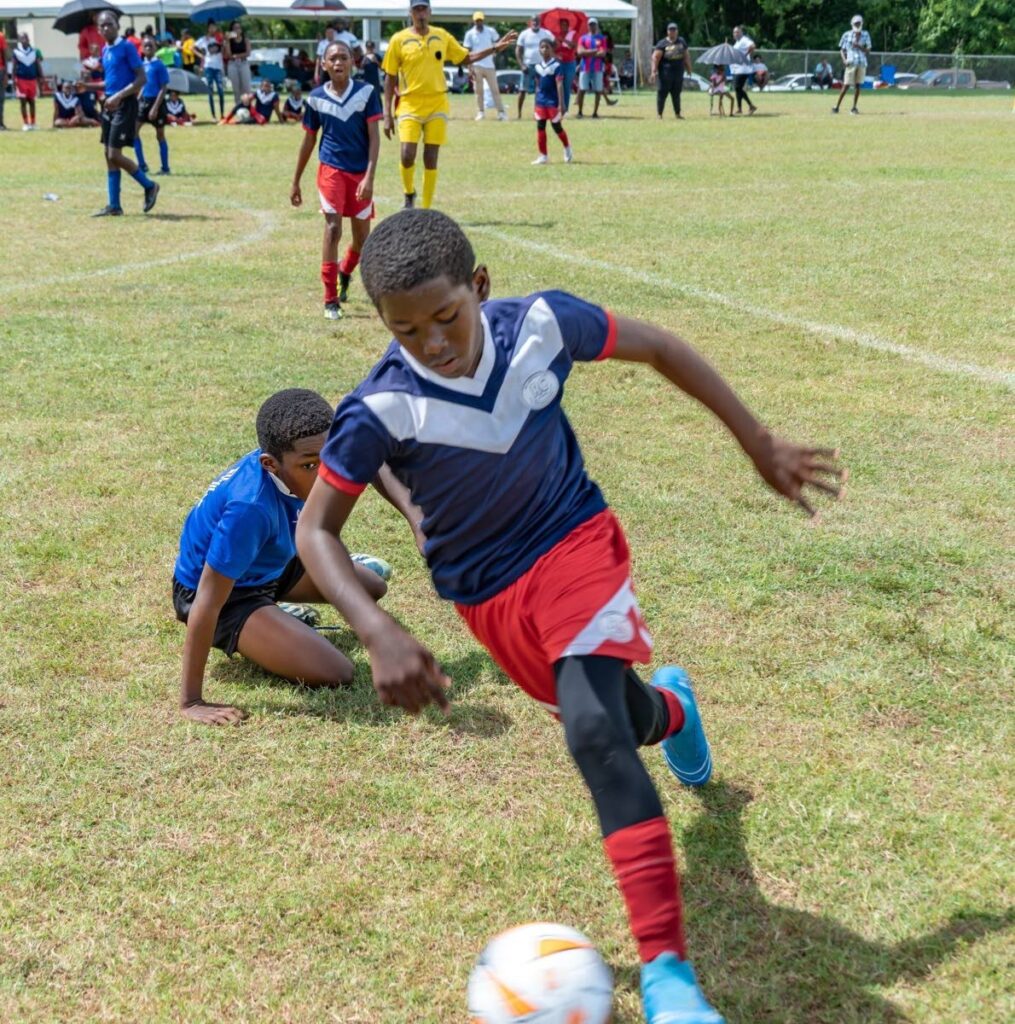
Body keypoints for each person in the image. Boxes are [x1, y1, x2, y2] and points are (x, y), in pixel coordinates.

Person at [295, 209, 846, 1024]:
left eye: (447, 316)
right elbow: (315, 530)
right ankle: (670, 709)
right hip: (488, 599)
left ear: (479, 288)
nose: (434, 342)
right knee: (615, 718)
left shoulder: (542, 325)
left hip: (575, 543)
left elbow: (657, 346)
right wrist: (376, 629)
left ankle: (668, 980)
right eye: (406, 330)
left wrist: (756, 441)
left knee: (589, 735)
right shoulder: (380, 408)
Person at [171, 388, 404, 727]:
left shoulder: (313, 455)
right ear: (271, 465)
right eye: (311, 465)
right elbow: (207, 600)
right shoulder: (249, 508)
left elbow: (376, 462)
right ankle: (268, 615)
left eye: (331, 458)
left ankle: (281, 603)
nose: (326, 473)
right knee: (337, 671)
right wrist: (191, 701)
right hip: (229, 594)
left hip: (271, 562)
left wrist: (419, 523)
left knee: (372, 588)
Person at [381, 1, 516, 210]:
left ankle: (425, 208)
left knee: (431, 156)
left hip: (437, 103)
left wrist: (495, 48)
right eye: (416, 9)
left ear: (430, 12)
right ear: (410, 13)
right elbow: (389, 77)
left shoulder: (441, 36)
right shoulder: (398, 40)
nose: (421, 13)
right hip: (409, 104)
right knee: (407, 154)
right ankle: (409, 193)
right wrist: (387, 114)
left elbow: (465, 57)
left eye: (424, 9)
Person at [291, 40, 382, 320]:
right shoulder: (316, 98)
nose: (339, 62)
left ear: (352, 62)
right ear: (324, 64)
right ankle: (330, 299)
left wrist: (369, 177)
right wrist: (296, 180)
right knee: (332, 228)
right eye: (333, 58)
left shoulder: (366, 93)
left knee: (362, 241)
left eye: (344, 57)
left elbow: (374, 137)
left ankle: (344, 271)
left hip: (359, 174)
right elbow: (309, 140)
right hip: (330, 170)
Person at [93, 10, 159, 217]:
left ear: (117, 26)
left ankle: (149, 185)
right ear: (98, 29)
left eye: (109, 24)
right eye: (102, 26)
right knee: (108, 155)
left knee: (114, 154)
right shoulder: (106, 50)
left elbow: (141, 79)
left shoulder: (128, 47)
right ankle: (114, 205)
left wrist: (118, 97)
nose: (106, 28)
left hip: (125, 105)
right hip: (110, 105)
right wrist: (87, 86)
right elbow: (111, 82)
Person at [530, 37, 572, 165]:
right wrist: (535, 103)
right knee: (540, 127)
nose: (544, 49)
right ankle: (543, 155)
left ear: (551, 49)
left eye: (547, 47)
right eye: (542, 47)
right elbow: (537, 86)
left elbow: (559, 85)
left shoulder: (556, 65)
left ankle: (567, 147)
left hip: (552, 101)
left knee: (556, 127)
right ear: (539, 50)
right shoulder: (537, 67)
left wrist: (562, 103)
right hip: (541, 101)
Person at [134, 36, 171, 176]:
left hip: (157, 102)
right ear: (142, 48)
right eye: (146, 46)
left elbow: (163, 87)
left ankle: (165, 167)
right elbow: (143, 84)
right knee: (134, 132)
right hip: (144, 102)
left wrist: (155, 107)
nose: (148, 48)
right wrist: (138, 98)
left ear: (155, 48)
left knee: (160, 135)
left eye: (151, 45)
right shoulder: (142, 65)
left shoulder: (159, 65)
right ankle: (142, 165)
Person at [464, 12, 507, 122]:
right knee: (478, 91)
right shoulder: (470, 34)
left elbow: (499, 43)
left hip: (489, 65)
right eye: (477, 20)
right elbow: (467, 51)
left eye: (480, 20)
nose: (479, 22)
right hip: (476, 65)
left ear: (483, 20)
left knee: (495, 90)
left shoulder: (490, 31)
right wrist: (469, 67)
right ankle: (481, 112)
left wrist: (496, 53)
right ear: (474, 21)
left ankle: (501, 113)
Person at [650, 22, 692, 120]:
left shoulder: (682, 42)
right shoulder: (662, 43)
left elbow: (686, 55)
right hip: (665, 73)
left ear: (677, 31)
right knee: (662, 93)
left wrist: (689, 68)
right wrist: (653, 71)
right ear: (667, 31)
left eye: (674, 30)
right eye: (670, 30)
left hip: (678, 73)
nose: (672, 32)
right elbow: (655, 58)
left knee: (676, 94)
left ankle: (677, 114)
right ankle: (659, 114)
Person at [515, 13, 553, 119]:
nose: (535, 23)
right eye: (533, 21)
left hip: (542, 66)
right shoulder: (524, 34)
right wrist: (521, 65)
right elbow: (518, 50)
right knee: (522, 90)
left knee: (539, 91)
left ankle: (537, 113)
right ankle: (519, 114)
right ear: (530, 22)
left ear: (540, 22)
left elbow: (554, 44)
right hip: (527, 66)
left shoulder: (546, 33)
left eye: (537, 21)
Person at [833, 14, 872, 115]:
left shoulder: (866, 34)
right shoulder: (846, 34)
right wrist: (844, 60)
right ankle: (836, 107)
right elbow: (841, 49)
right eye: (855, 23)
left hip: (862, 63)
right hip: (851, 63)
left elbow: (868, 51)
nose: (857, 25)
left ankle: (854, 108)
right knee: (846, 85)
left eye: (859, 23)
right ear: (852, 24)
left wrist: (859, 46)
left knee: (858, 86)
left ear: (861, 23)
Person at [576, 17, 607, 118]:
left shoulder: (601, 38)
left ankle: (595, 113)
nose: (592, 26)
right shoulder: (583, 38)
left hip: (597, 68)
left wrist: (587, 52)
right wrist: (594, 51)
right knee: (582, 89)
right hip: (585, 67)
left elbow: (602, 53)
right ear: (587, 26)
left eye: (594, 24)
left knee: (598, 90)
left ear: (597, 25)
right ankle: (580, 111)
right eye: (590, 24)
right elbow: (580, 52)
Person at [13, 33, 43, 131]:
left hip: (32, 79)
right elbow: (14, 66)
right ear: (19, 40)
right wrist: (13, 79)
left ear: (28, 39)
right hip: (21, 79)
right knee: (23, 102)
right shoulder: (16, 52)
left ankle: (33, 123)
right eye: (21, 38)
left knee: (32, 102)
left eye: (25, 38)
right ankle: (26, 123)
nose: (23, 40)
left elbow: (38, 64)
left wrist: (41, 76)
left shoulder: (35, 51)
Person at [196, 22, 225, 120]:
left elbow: (232, 36)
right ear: (208, 28)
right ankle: (213, 115)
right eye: (211, 27)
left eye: (214, 27)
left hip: (218, 67)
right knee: (210, 90)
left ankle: (222, 114)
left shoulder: (220, 38)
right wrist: (201, 56)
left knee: (221, 90)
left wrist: (223, 39)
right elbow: (193, 47)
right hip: (209, 66)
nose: (213, 29)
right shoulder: (204, 39)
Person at [550, 15, 578, 111]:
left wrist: (563, 39)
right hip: (558, 63)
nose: (564, 26)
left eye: (566, 24)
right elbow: (551, 49)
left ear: (568, 25)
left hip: (570, 63)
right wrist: (556, 55)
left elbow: (573, 46)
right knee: (557, 85)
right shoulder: (555, 36)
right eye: (562, 25)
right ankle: (556, 107)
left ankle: (565, 109)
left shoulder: (573, 34)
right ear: (560, 25)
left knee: (566, 86)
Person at [730, 25, 757, 115]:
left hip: (743, 68)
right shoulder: (737, 43)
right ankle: (739, 108)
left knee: (737, 88)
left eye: (737, 32)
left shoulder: (744, 40)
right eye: (734, 32)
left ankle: (750, 105)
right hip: (737, 69)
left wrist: (746, 55)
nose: (735, 34)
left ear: (741, 32)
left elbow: (753, 46)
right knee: (738, 88)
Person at [225, 20, 252, 100]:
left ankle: (248, 105)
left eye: (239, 28)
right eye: (235, 28)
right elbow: (229, 55)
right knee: (236, 88)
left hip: (243, 63)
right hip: (233, 64)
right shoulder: (229, 40)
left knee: (246, 87)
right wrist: (227, 40)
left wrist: (236, 56)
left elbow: (248, 53)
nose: (237, 30)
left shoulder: (245, 39)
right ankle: (238, 106)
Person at [0, 26, 9, 130]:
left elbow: (4, 54)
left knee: (0, 99)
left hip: (0, 70)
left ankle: (0, 123)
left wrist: (6, 73)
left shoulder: (1, 36)